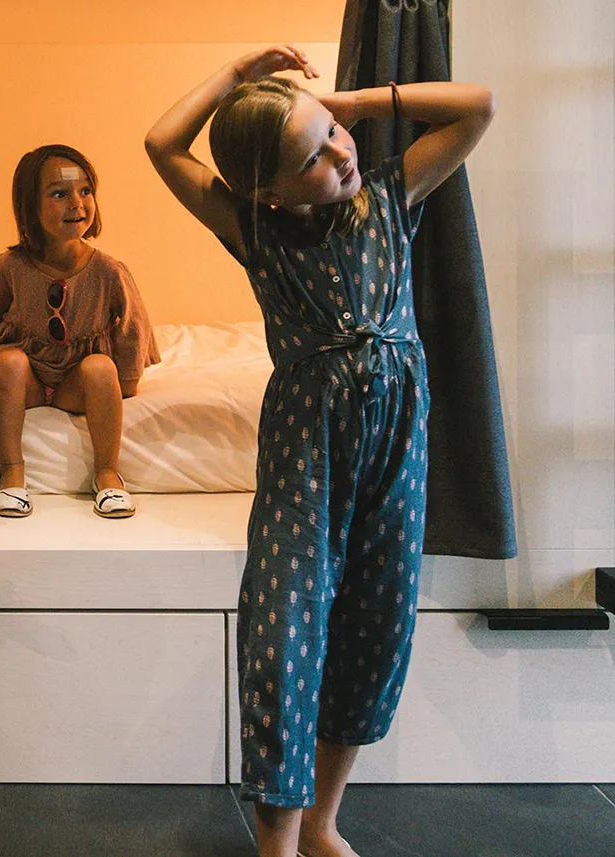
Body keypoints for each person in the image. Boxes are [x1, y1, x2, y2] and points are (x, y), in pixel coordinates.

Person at [144, 46, 495, 857]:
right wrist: (235, 73)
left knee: (376, 630)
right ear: (267, 190)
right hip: (306, 450)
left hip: (398, 448)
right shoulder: (255, 228)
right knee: (282, 638)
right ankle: (277, 843)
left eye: (334, 134)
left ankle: (322, 824)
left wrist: (352, 104)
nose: (340, 154)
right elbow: (162, 145)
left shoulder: (391, 192)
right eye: (311, 156)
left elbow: (477, 105)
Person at [0, 144, 160, 519]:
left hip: (75, 383)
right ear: (29, 207)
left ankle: (107, 474)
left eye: (86, 191)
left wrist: (127, 377)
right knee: (8, 362)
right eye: (59, 194)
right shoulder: (11, 265)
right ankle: (12, 472)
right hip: (29, 380)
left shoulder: (109, 270)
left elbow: (134, 326)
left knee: (101, 367)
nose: (77, 203)